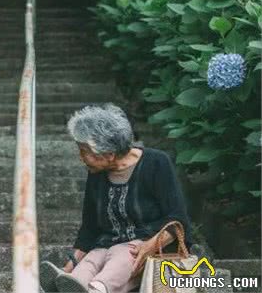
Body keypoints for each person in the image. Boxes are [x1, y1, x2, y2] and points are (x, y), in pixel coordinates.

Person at [40, 104, 193, 293]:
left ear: (109, 153)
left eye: (84, 151)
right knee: (94, 258)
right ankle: (69, 281)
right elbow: (89, 229)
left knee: (122, 256)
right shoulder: (97, 173)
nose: (80, 157)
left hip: (142, 245)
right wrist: (69, 265)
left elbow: (178, 219)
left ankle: (98, 288)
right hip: (106, 245)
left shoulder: (156, 162)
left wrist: (149, 247)